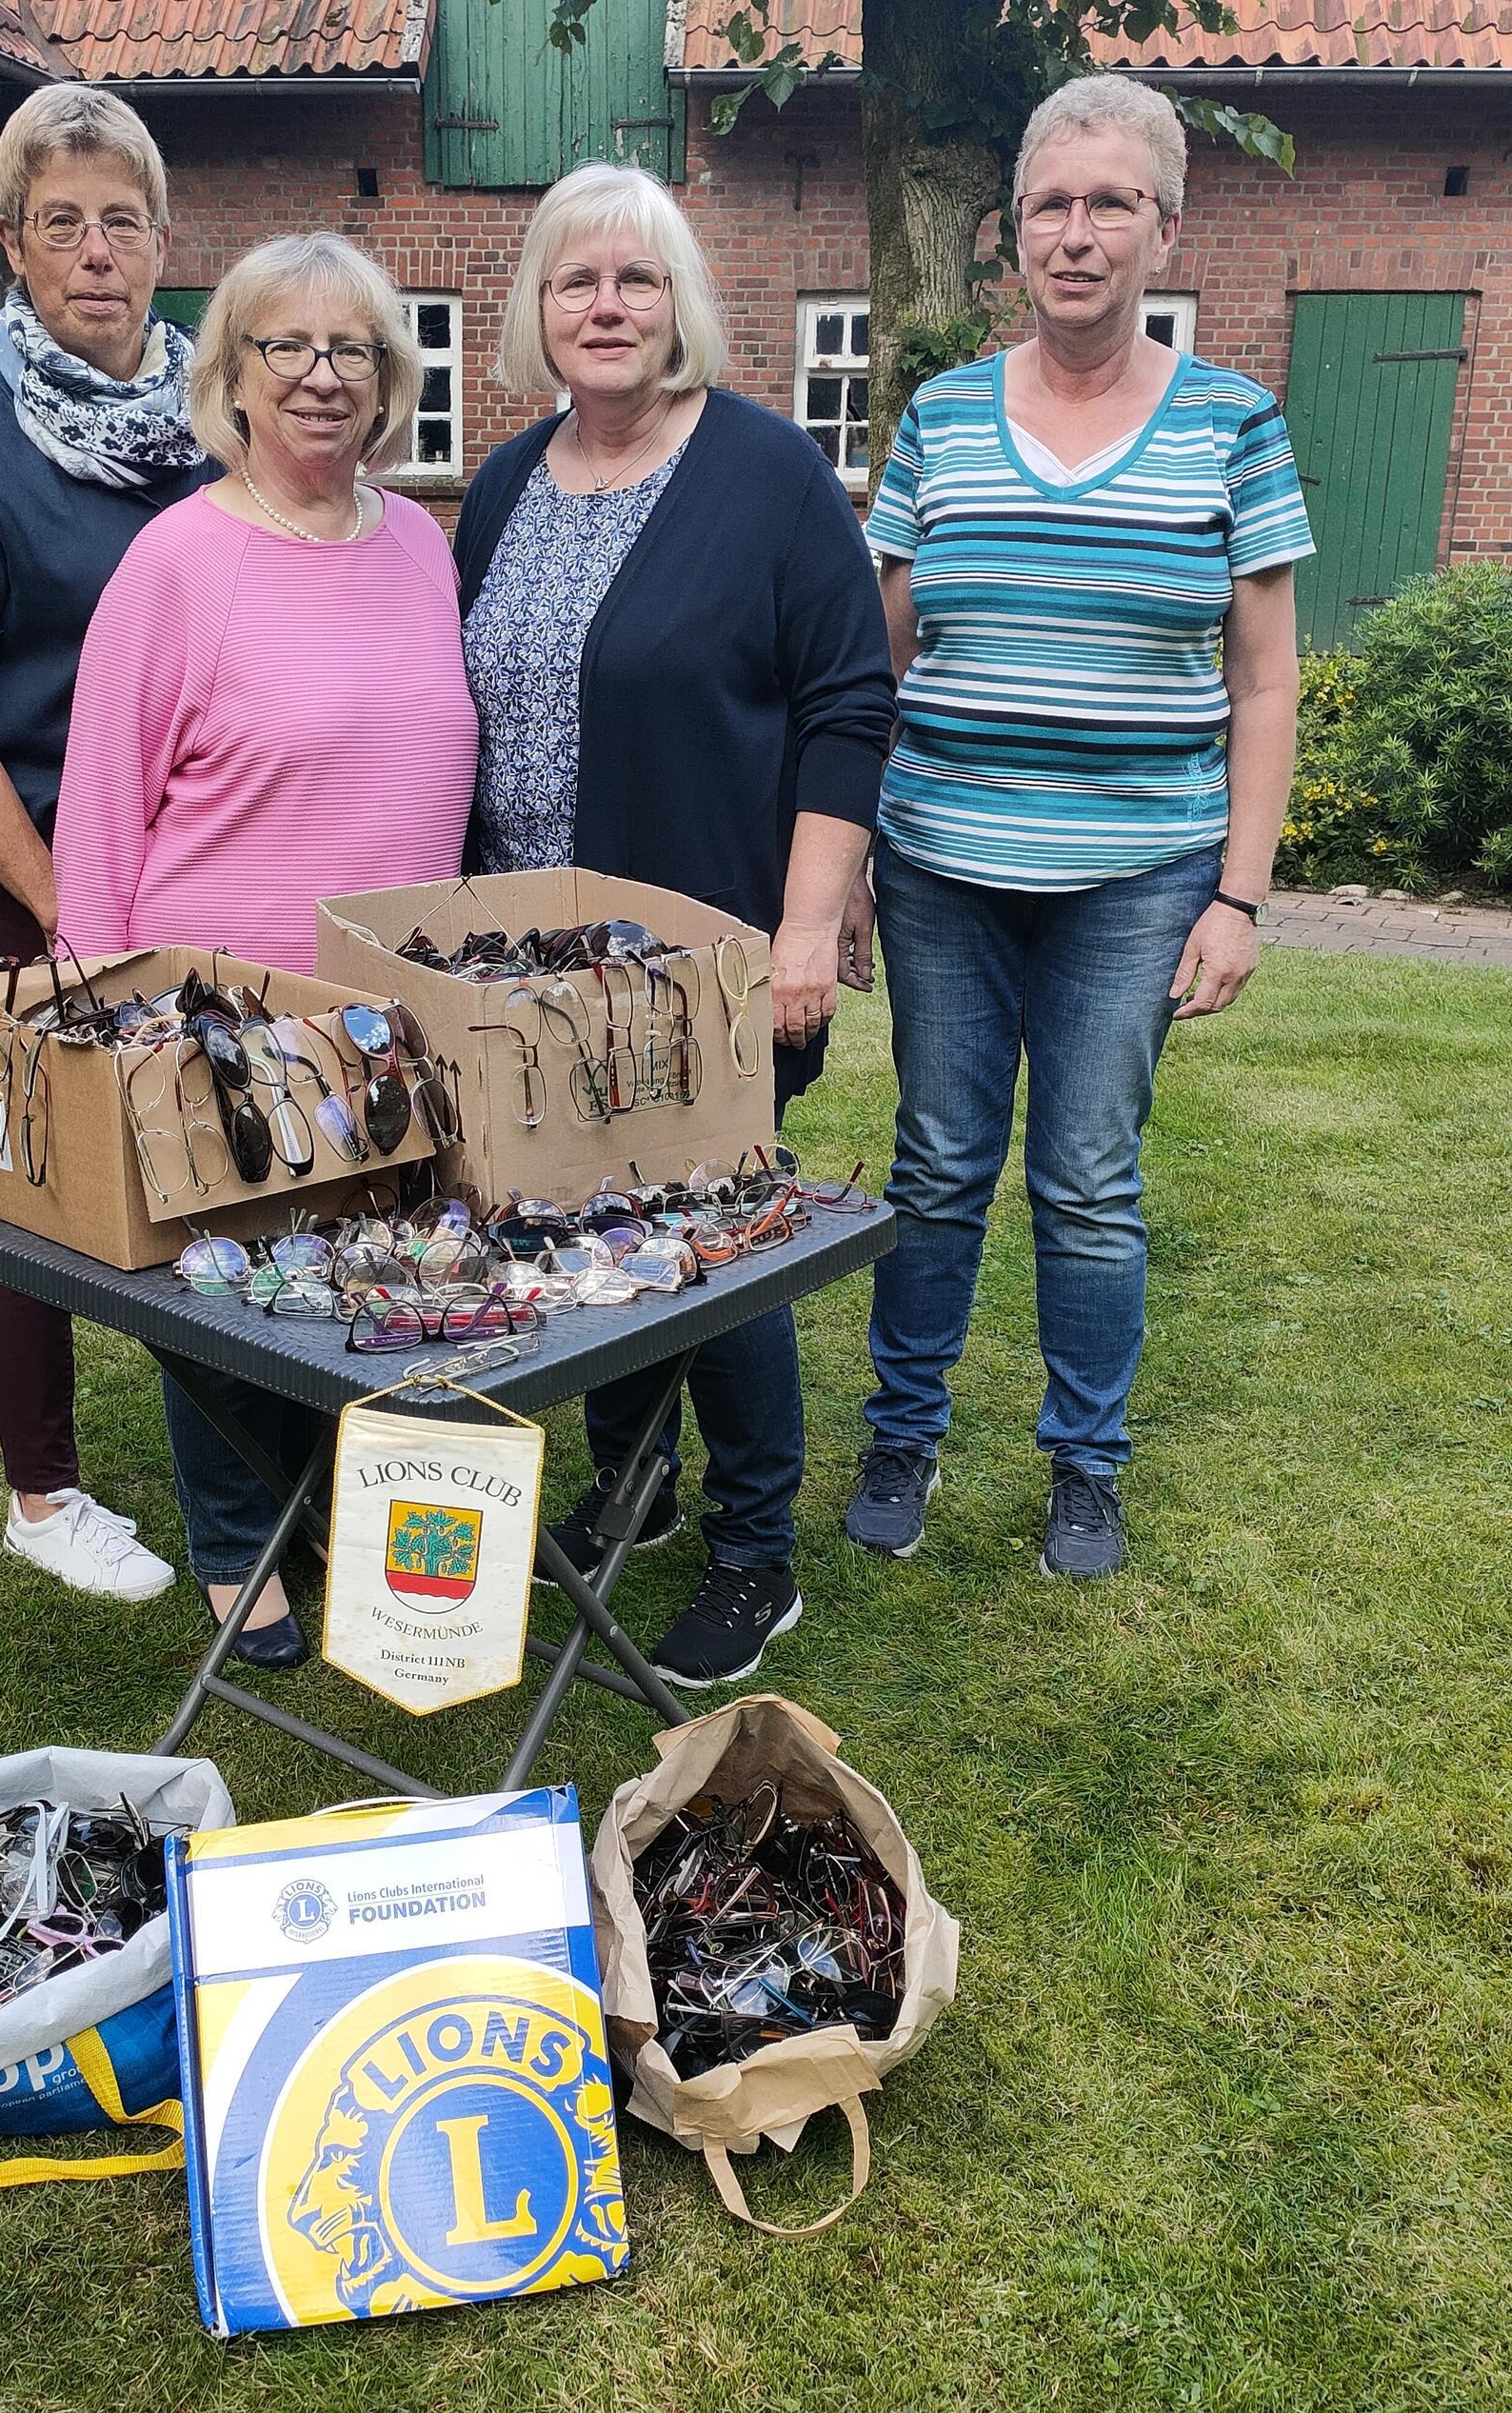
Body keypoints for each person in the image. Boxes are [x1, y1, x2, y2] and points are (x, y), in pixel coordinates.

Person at [843, 74, 1312, 1581]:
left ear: (1166, 229)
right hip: (941, 869)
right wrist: (846, 856)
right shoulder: (940, 418)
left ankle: (1084, 1466)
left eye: (1113, 202)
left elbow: (1264, 677)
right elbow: (880, 659)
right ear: (1015, 229)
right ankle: (903, 1436)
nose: (1078, 231)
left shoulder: (1235, 425)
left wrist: (1238, 894)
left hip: (1138, 876)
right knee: (933, 1166)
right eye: (1052, 201)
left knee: (1091, 1179)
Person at [455, 161, 895, 1689]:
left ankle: (753, 1549)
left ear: (681, 305)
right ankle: (634, 1483)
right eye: (577, 280)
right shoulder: (506, 482)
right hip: (524, 969)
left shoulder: (768, 477)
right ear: (539, 309)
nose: (607, 305)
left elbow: (850, 706)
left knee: (714, 1247)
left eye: (637, 279)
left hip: (707, 958)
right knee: (582, 1228)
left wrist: (808, 927)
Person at [52, 233, 476, 1665]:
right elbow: (102, 803)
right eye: (284, 347)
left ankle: (336, 1507)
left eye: (351, 348)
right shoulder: (182, 557)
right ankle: (241, 1548)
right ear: (229, 374)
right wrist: (101, 1020)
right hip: (217, 1012)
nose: (319, 374)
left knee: (357, 1272)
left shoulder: (419, 542)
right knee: (230, 1287)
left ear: (387, 382)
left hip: (385, 1014)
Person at [0, 87, 211, 1601]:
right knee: (33, 1179)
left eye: (119, 221)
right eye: (59, 222)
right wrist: (66, 899)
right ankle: (44, 1492)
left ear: (159, 242)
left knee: (224, 1151)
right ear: (11, 245)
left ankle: (248, 1450)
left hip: (204, 862)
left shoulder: (218, 423)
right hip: (38, 873)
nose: (94, 253)